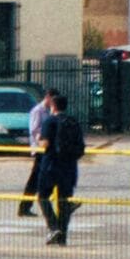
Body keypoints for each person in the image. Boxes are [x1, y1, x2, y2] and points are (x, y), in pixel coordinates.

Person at [36, 91, 84, 247]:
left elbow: (45, 144)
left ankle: (54, 227)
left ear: (53, 106)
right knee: (64, 201)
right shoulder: (73, 121)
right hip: (69, 167)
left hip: (50, 165)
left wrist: (38, 139)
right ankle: (63, 237)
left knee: (43, 196)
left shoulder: (50, 121)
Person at [18, 87, 55, 218]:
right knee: (34, 180)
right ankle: (25, 206)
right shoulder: (37, 111)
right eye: (53, 99)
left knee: (40, 179)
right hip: (40, 149)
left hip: (47, 148)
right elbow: (34, 130)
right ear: (48, 97)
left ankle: (26, 206)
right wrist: (43, 141)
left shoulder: (50, 111)